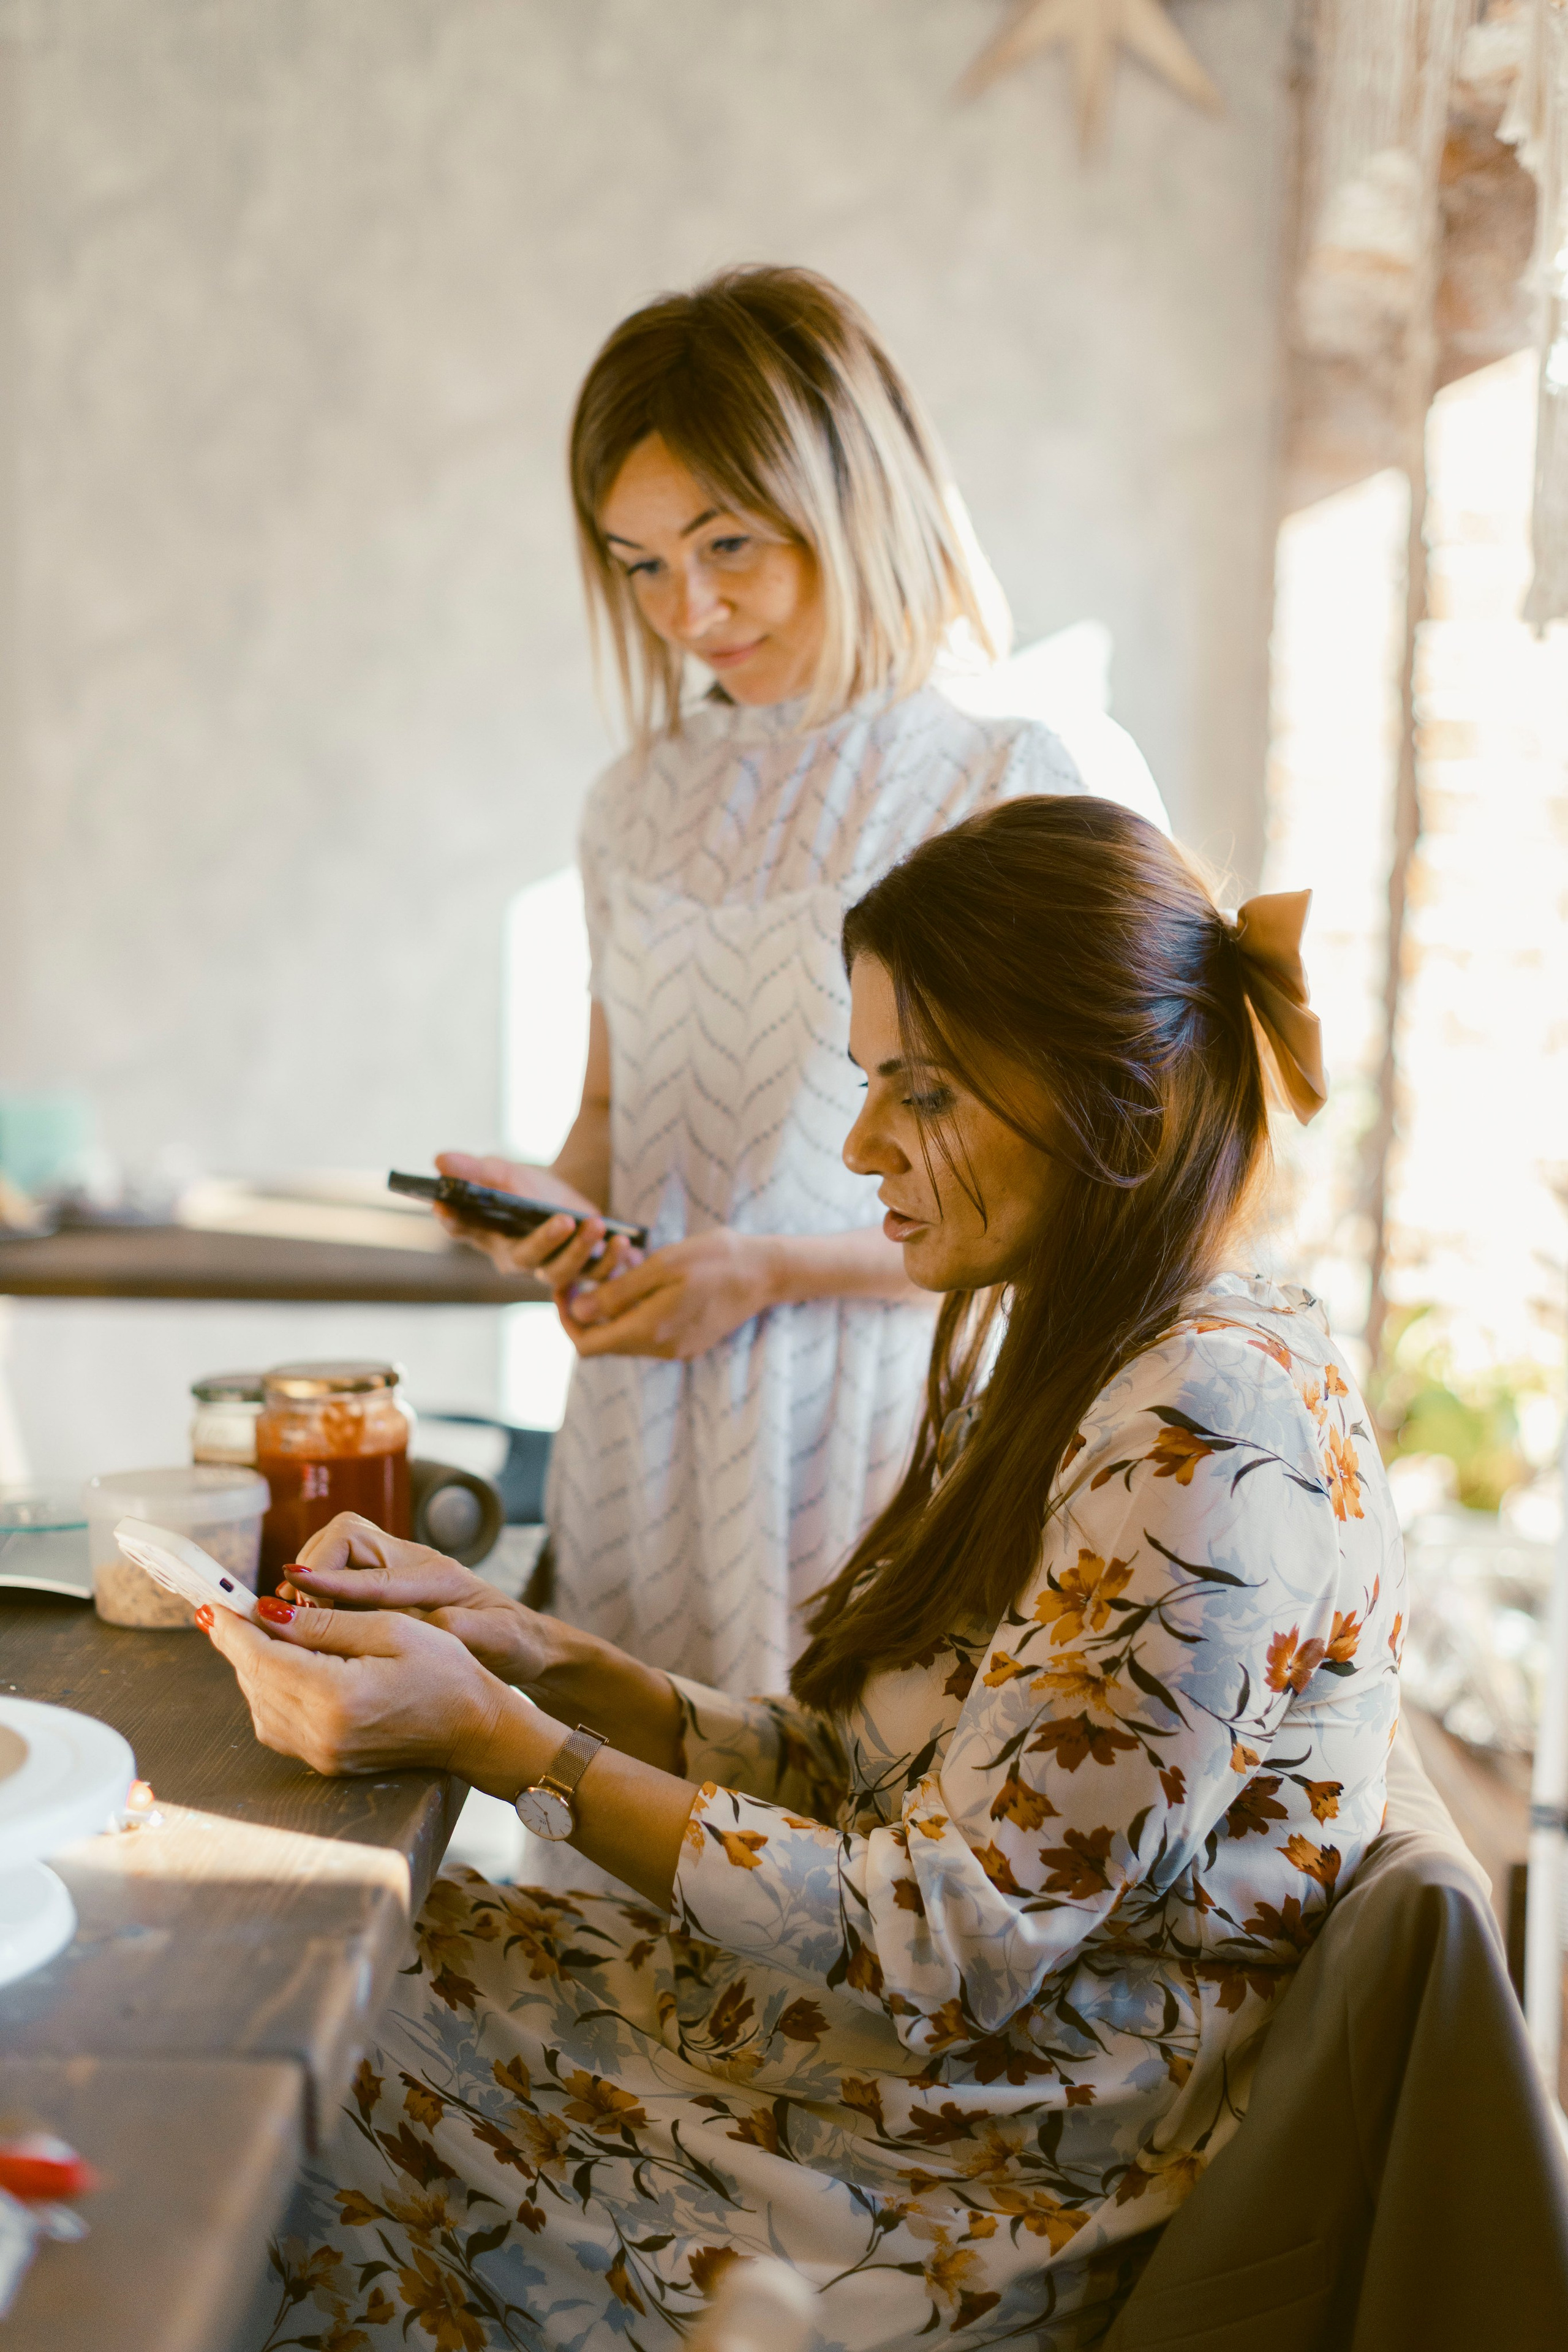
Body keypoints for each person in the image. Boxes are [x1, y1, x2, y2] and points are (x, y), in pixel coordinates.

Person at [214, 797, 1401, 2352]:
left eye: (923, 1091)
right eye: (869, 1084)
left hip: (949, 2192)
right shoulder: (1102, 1361)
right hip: (872, 2085)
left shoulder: (1205, 1433)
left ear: (1113, 1098)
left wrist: (507, 1748)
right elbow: (865, 1781)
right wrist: (530, 1653)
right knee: (297, 1964)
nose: (858, 1151)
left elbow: (941, 1940)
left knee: (275, 2062)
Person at [437, 265, 1089, 1698]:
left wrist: (768, 1273)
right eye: (639, 564)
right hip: (646, 1437)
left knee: (830, 1807)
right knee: (620, 1805)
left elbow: (1072, 1197)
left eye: (726, 542)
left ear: (849, 498)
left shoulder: (1000, 777)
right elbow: (609, 1122)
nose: (688, 608)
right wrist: (549, 1214)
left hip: (882, 1426)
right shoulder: (632, 801)